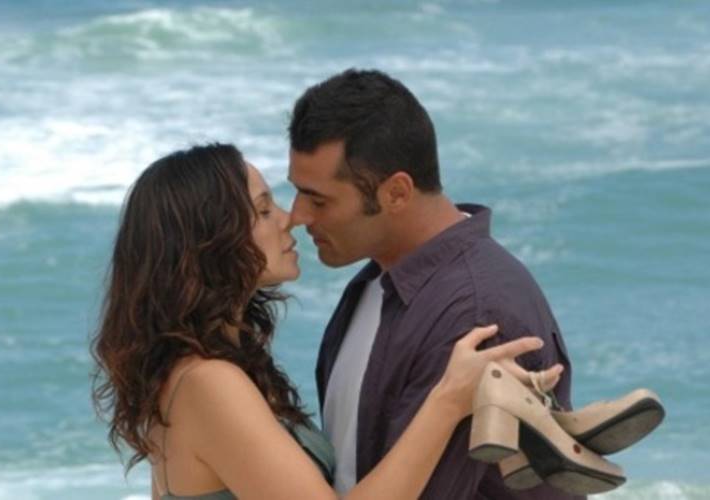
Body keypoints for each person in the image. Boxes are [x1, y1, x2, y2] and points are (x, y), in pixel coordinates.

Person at [91, 143, 562, 499]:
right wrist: (449, 398)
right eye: (262, 210)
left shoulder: (210, 369)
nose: (289, 219)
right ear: (210, 243)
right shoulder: (207, 382)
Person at [287, 68, 578, 499]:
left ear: (397, 192)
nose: (298, 216)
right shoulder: (375, 283)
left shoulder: (476, 316)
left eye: (318, 199)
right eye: (298, 192)